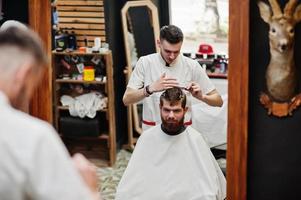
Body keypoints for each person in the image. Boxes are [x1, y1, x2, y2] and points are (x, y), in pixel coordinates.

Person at [0, 21, 101, 200]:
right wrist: (90, 191)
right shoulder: (33, 138)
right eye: (32, 87)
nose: (28, 98)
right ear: (23, 74)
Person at [116, 87, 226, 200]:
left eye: (177, 111)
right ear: (160, 108)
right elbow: (129, 185)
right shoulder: (147, 138)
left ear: (185, 110)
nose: (171, 116)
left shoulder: (195, 139)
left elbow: (211, 187)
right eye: (167, 110)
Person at [123, 24, 223, 130]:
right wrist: (149, 89)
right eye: (168, 51)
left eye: (176, 52)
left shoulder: (191, 65)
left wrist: (202, 97)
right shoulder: (145, 63)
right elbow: (127, 99)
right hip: (152, 132)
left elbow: (218, 101)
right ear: (159, 43)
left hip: (183, 133)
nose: (172, 56)